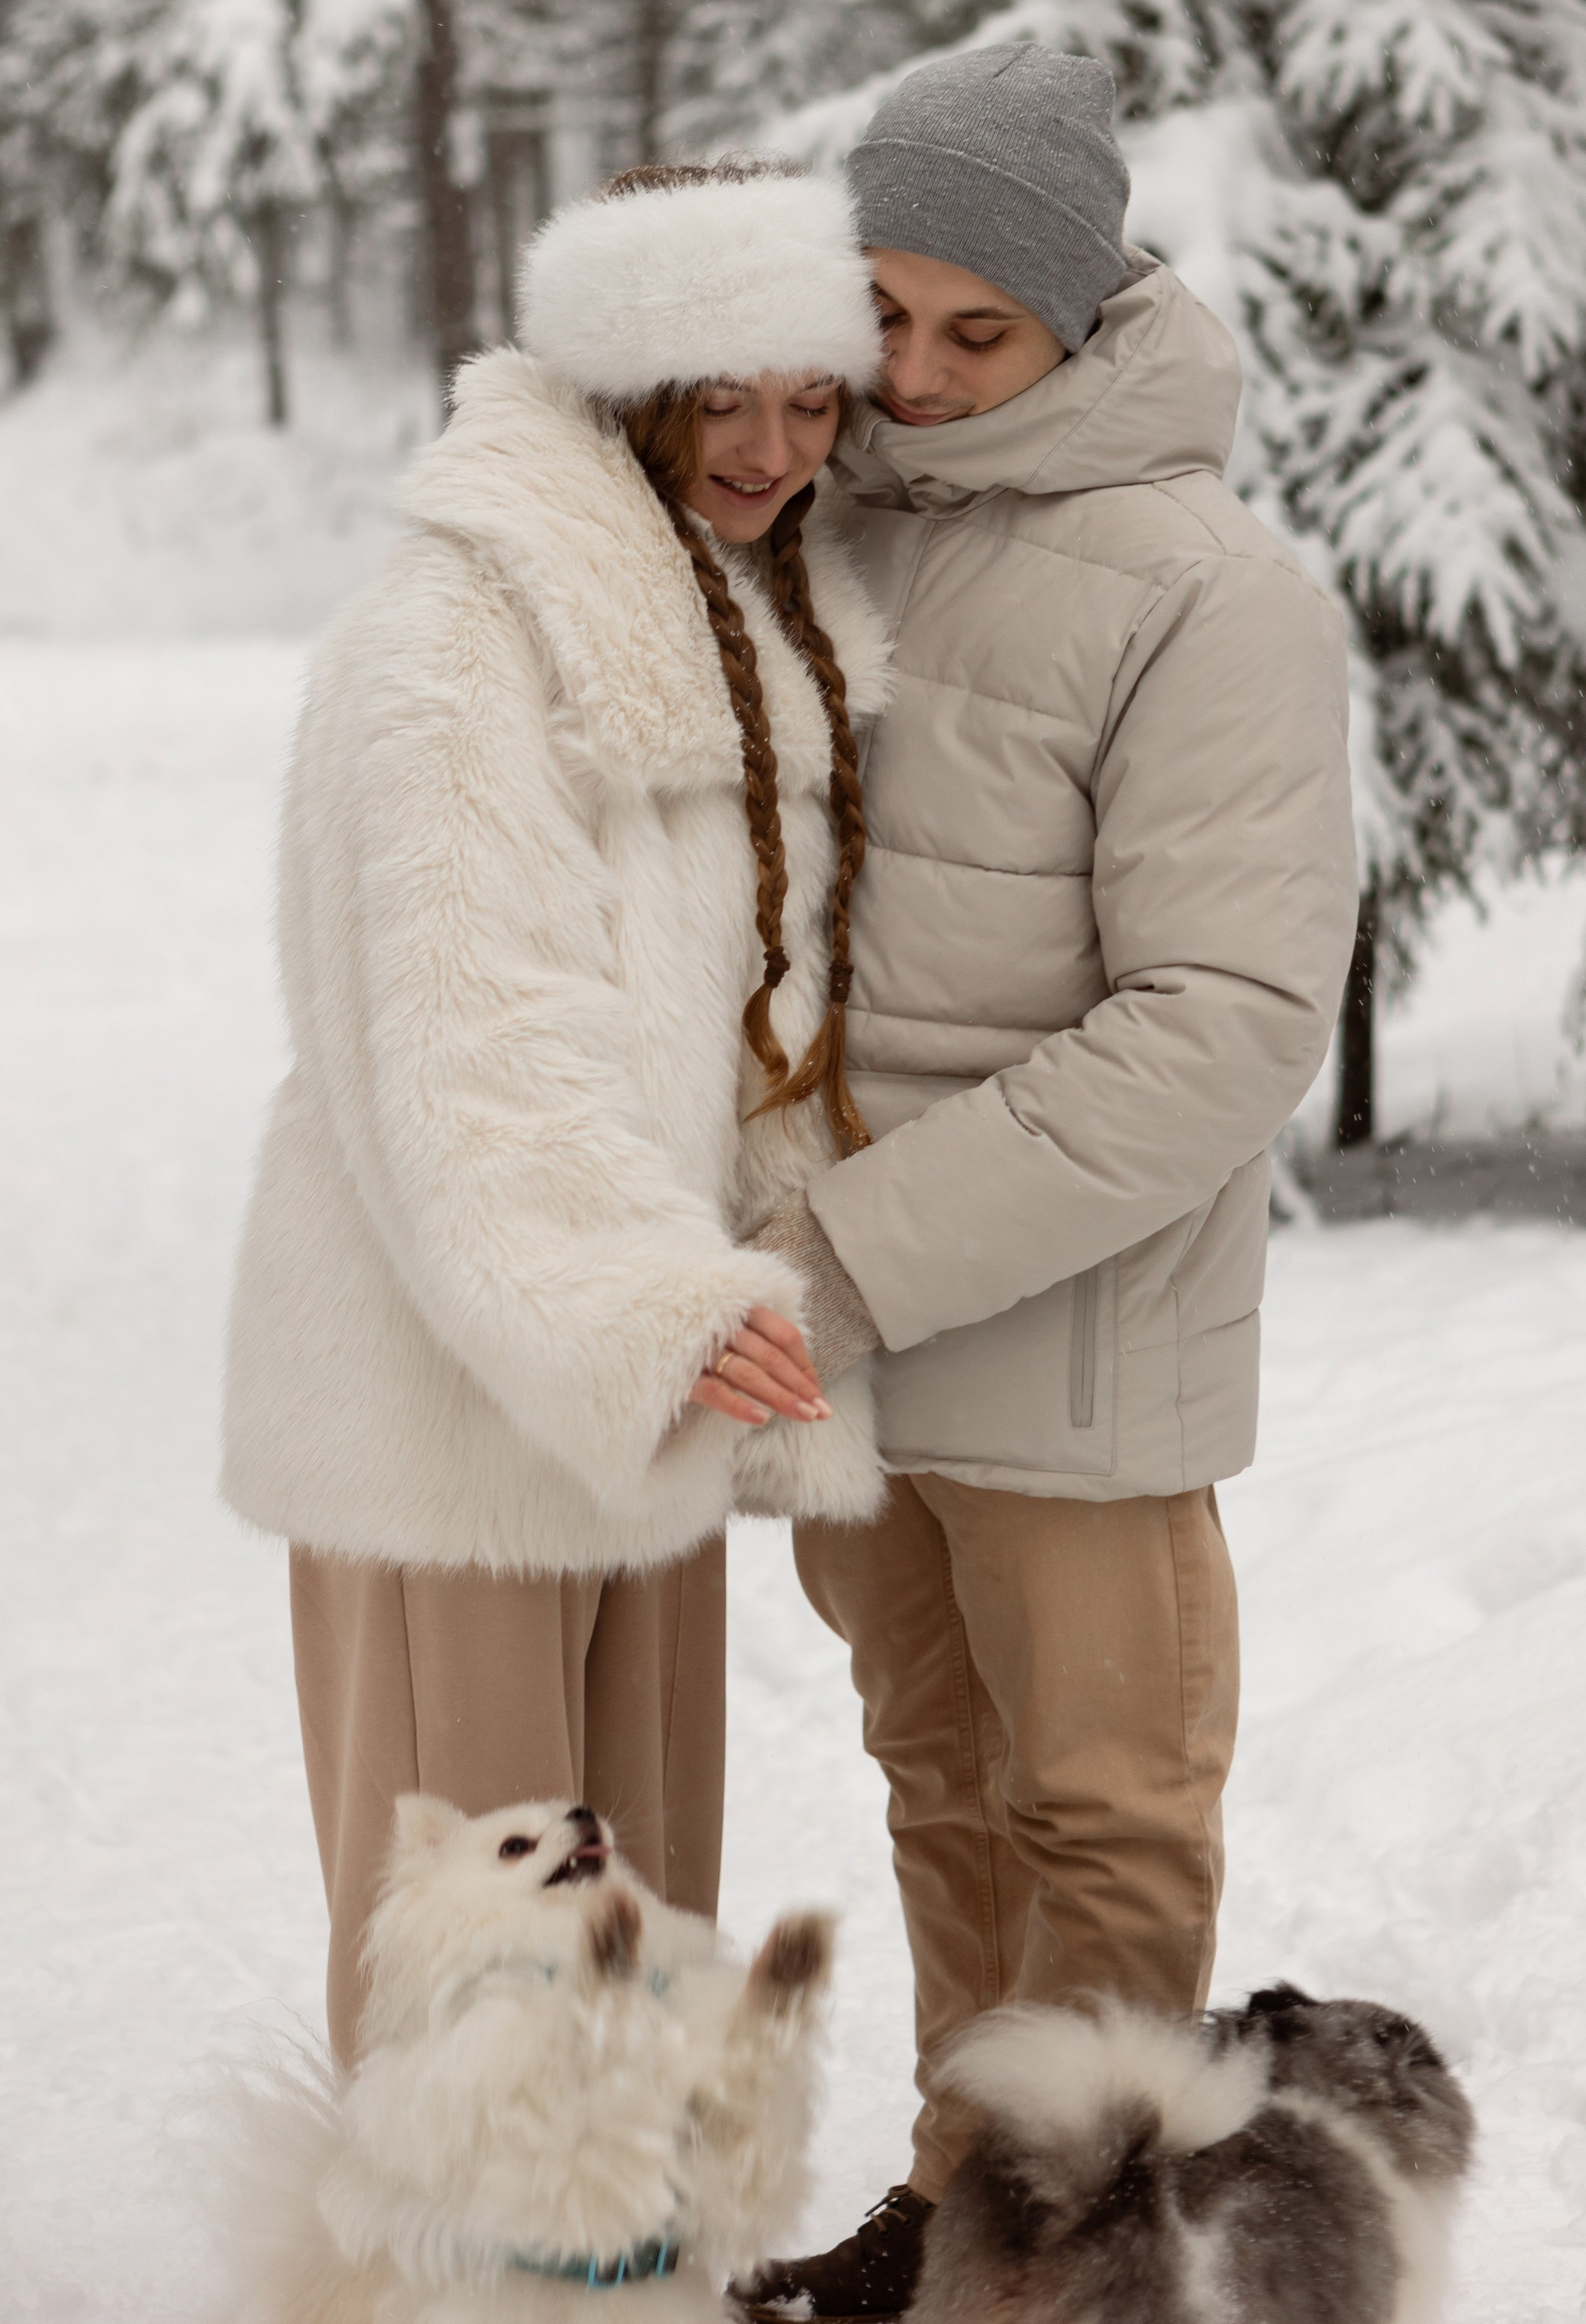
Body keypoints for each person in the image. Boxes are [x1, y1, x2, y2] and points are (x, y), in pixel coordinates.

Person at [743, 46, 1359, 2320]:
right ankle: (961, 2217)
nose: (906, 374)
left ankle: (1081, 2279)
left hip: (1065, 1331)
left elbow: (1220, 1027)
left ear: (1082, 312)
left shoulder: (1210, 594)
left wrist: (854, 1253)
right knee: (936, 1783)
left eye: (967, 330)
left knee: (1100, 1820)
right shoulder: (843, 523)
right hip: (851, 1333)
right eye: (877, 315)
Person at [221, 157, 892, 2064]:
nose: (769, 449)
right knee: (479, 1968)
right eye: (721, 397)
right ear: (625, 387)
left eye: (808, 397)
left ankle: (618, 2276)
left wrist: (743, 1278)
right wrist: (645, 1309)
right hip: (452, 1397)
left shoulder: (744, 624)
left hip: (646, 1379)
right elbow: (462, 1035)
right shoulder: (455, 636)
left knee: (642, 1939)